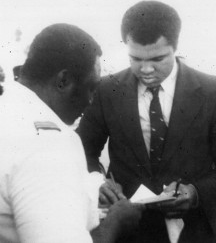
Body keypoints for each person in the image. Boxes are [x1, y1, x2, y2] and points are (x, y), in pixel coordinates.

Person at [77, 1, 216, 243]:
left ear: (176, 47)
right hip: (129, 232)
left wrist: (196, 193)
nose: (146, 69)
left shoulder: (213, 90)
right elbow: (80, 151)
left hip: (196, 230)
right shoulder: (108, 90)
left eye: (158, 58)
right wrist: (96, 182)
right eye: (135, 59)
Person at [0, 23, 143, 243]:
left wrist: (91, 187)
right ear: (63, 81)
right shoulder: (49, 144)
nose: (91, 100)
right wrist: (117, 222)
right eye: (91, 88)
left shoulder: (8, 109)